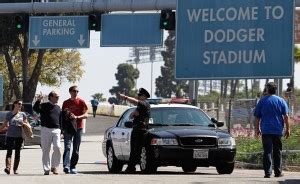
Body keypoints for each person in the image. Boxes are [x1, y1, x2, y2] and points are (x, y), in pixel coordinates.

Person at [254, 82, 290, 178]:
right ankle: (278, 172)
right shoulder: (281, 101)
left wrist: (257, 130)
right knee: (277, 151)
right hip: (278, 130)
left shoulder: (262, 101)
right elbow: (286, 116)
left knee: (267, 151)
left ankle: (268, 173)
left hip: (266, 130)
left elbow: (257, 117)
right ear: (276, 90)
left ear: (267, 90)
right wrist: (288, 129)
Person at [118, 88, 151, 173]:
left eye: (140, 95)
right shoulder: (141, 106)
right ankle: (131, 167)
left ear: (144, 96)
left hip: (141, 130)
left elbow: (135, 102)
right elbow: (133, 115)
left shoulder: (145, 103)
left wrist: (125, 97)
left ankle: (131, 167)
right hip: (137, 129)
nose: (138, 96)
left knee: (136, 150)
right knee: (134, 150)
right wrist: (134, 113)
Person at [33, 91, 62, 175]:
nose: (58, 98)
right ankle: (46, 168)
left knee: (57, 147)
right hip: (45, 129)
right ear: (51, 97)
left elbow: (60, 120)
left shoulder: (58, 107)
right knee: (46, 150)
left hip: (56, 130)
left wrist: (62, 131)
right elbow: (35, 109)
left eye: (58, 97)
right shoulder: (44, 105)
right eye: (56, 97)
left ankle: (54, 167)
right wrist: (38, 101)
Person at [62, 85, 88, 174]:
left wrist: (77, 117)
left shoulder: (81, 102)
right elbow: (62, 116)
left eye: (77, 91)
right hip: (68, 128)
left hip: (78, 128)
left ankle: (73, 166)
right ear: (70, 92)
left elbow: (86, 115)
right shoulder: (65, 103)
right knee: (67, 147)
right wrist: (62, 129)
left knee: (76, 148)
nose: (75, 92)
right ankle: (66, 166)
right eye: (74, 91)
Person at [0, 100, 27, 175]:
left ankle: (15, 169)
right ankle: (8, 168)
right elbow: (5, 124)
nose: (20, 105)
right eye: (19, 104)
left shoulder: (23, 114)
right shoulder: (9, 114)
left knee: (17, 152)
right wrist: (0, 129)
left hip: (19, 136)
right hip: (10, 136)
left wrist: (24, 123)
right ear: (15, 104)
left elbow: (27, 124)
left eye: (21, 104)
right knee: (9, 152)